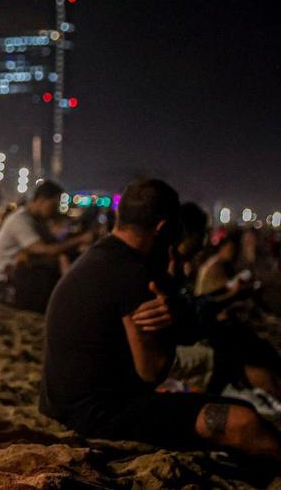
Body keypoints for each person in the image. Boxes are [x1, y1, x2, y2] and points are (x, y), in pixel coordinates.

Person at [40, 179, 281, 461]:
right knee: (244, 421)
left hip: (62, 405)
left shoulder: (102, 256)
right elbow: (152, 369)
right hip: (95, 415)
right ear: (163, 229)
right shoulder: (133, 274)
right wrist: (169, 296)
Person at [0, 180, 93, 311]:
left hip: (19, 276)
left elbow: (55, 245)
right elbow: (44, 250)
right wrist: (80, 239)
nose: (56, 209)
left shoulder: (36, 221)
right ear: (41, 200)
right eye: (54, 205)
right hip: (4, 282)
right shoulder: (20, 219)